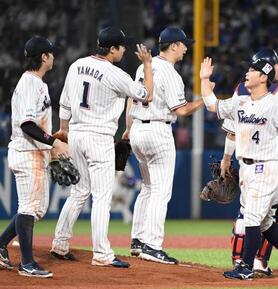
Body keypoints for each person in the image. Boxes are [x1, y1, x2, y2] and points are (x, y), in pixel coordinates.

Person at [200, 56, 278, 280]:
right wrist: (204, 78)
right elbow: (213, 105)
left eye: (253, 70)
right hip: (246, 169)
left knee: (250, 218)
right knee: (264, 222)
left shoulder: (275, 104)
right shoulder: (241, 101)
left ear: (263, 77)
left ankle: (245, 266)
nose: (247, 73)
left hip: (267, 167)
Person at [50, 27, 153, 268]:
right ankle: (102, 253)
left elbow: (64, 104)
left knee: (79, 191)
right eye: (122, 46)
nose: (125, 49)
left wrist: (64, 131)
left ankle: (60, 242)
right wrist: (147, 65)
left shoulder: (76, 65)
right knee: (102, 197)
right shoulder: (114, 73)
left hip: (76, 133)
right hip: (98, 137)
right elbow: (146, 95)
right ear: (112, 49)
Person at [124, 27, 204, 265]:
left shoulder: (143, 67)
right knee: (160, 191)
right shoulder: (170, 73)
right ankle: (152, 245)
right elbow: (180, 110)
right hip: (158, 130)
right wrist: (204, 102)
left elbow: (132, 97)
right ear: (174, 45)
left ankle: (138, 240)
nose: (186, 48)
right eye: (184, 44)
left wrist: (128, 129)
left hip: (138, 127)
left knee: (147, 188)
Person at [0, 36, 69, 278]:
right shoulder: (31, 83)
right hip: (27, 152)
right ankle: (27, 264)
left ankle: (0, 245)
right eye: (51, 53)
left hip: (34, 152)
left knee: (36, 209)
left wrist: (52, 137)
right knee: (29, 207)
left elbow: (33, 123)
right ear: (44, 57)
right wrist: (54, 142)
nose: (54, 56)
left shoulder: (37, 82)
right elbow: (27, 124)